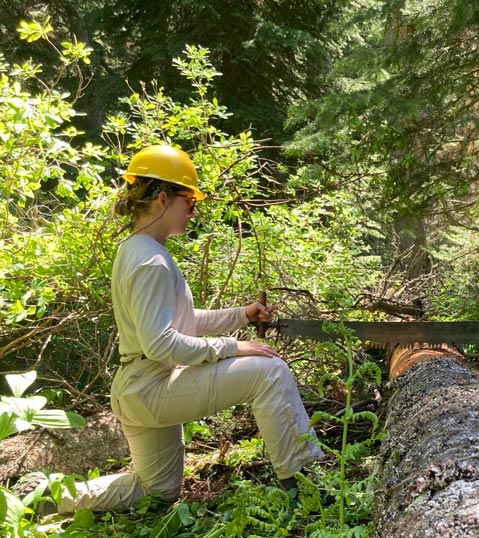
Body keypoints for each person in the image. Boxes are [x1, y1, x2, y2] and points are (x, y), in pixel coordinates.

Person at [21, 144, 323, 515]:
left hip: (140, 388)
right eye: (189, 202)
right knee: (269, 372)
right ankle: (305, 487)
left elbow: (178, 323)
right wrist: (232, 346)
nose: (193, 212)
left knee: (157, 491)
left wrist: (241, 316)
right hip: (150, 386)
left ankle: (50, 497)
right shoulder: (151, 260)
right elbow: (161, 342)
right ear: (163, 198)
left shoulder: (137, 249)